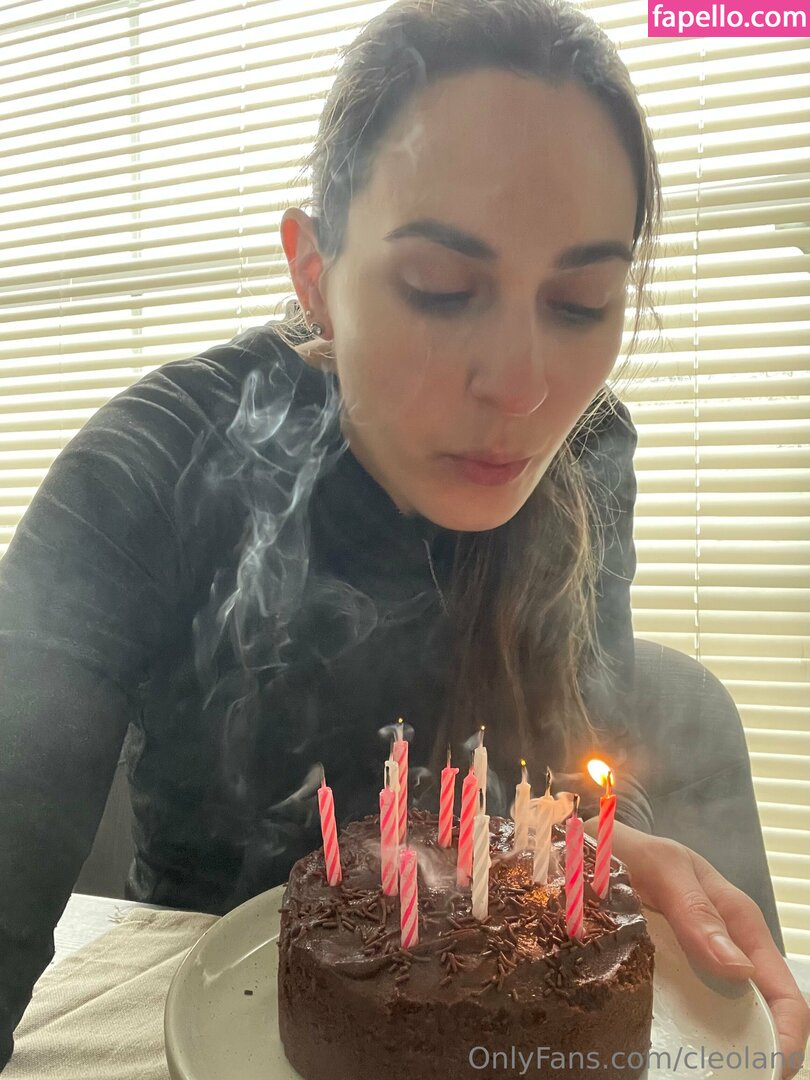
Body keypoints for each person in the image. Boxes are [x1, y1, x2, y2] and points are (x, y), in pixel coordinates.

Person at [0, 0, 807, 1074]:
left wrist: (600, 843)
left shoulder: (590, 448)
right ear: (314, 272)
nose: (523, 388)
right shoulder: (154, 463)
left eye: (582, 301)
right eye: (440, 286)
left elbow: (568, 770)